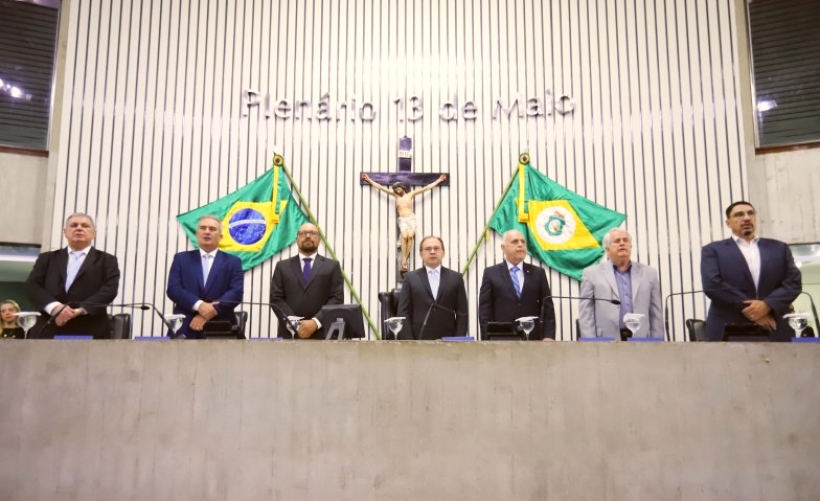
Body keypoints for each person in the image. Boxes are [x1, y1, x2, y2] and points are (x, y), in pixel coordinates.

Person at [700, 201, 801, 342]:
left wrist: (768, 305)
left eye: (750, 213)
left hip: (774, 325)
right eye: (739, 214)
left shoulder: (779, 248)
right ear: (728, 223)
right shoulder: (713, 250)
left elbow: (793, 283)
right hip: (729, 327)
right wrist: (754, 311)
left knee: (780, 364)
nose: (746, 218)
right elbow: (713, 285)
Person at [26, 213, 120, 339]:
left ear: (94, 233)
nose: (79, 228)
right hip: (49, 327)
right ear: (65, 232)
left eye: (85, 226)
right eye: (74, 225)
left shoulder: (107, 260)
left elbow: (109, 289)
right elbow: (33, 286)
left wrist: (80, 310)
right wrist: (55, 308)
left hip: (90, 327)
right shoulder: (47, 258)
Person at [167, 215, 245, 339]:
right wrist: (199, 305)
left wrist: (206, 314)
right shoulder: (181, 259)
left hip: (220, 325)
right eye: (203, 228)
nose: (207, 232)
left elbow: (236, 292)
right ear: (197, 234)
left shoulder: (233, 262)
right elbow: (173, 289)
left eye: (212, 229)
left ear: (220, 237)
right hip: (185, 325)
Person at [578, 228, 663, 339]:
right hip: (605, 342)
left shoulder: (649, 273)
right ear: (607, 250)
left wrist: (658, 344)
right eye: (617, 241)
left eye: (625, 240)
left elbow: (656, 313)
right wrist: (590, 345)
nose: (622, 243)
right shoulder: (591, 274)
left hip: (642, 341)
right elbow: (586, 314)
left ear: (630, 247)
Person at [270, 222, 344, 339]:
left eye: (313, 233)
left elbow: (337, 298)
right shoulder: (282, 266)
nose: (308, 236)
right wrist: (295, 325)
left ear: (319, 240)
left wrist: (315, 322)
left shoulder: (332, 266)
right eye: (303, 233)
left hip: (322, 333)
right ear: (297, 239)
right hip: (290, 334)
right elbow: (275, 298)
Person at [478, 229, 556, 340]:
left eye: (523, 242)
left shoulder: (538, 273)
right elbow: (484, 311)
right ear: (503, 248)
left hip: (533, 339)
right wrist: (487, 338)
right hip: (501, 339)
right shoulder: (491, 273)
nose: (520, 245)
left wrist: (549, 336)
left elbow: (548, 308)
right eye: (515, 242)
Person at [361, 173, 447, 272]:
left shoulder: (411, 195)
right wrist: (368, 179)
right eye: (395, 189)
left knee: (410, 237)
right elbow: (380, 187)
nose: (396, 190)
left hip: (411, 219)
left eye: (398, 188)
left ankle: (405, 259)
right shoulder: (395, 196)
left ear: (402, 188)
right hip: (402, 220)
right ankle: (404, 260)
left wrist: (439, 180)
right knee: (405, 236)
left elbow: (426, 188)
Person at [397, 236, 468, 339]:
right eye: (428, 249)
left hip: (448, 340)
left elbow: (462, 313)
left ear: (443, 252)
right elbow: (403, 313)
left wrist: (458, 341)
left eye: (436, 248)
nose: (432, 251)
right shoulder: (410, 278)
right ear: (421, 254)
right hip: (418, 340)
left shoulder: (456, 278)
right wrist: (409, 343)